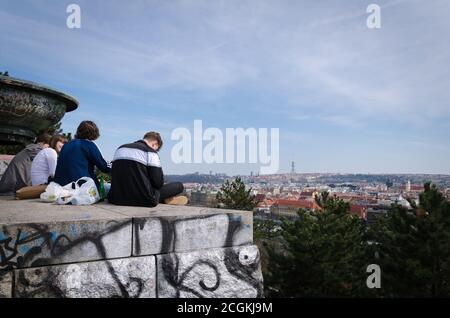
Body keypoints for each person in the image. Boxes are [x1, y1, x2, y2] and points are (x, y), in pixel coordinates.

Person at [107, 131, 187, 207]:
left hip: (115, 198)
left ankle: (165, 199)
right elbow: (158, 183)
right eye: (157, 149)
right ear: (155, 144)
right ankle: (165, 199)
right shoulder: (151, 152)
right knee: (179, 186)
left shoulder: (120, 149)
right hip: (144, 199)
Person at [54, 121, 111, 188]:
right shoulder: (89, 145)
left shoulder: (66, 145)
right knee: (109, 188)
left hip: (61, 186)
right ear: (94, 132)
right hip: (81, 188)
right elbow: (103, 166)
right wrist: (116, 166)